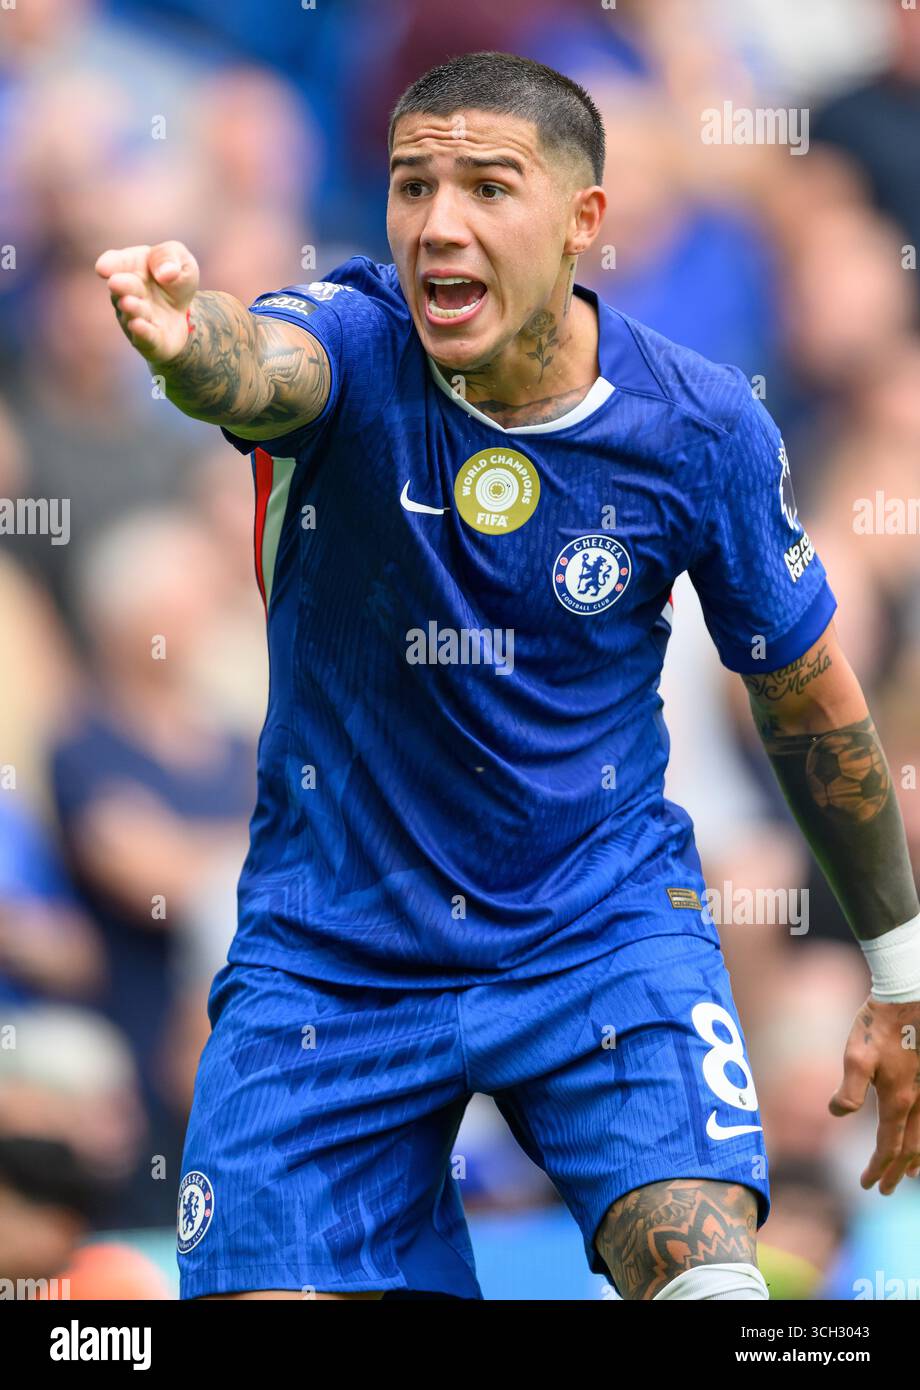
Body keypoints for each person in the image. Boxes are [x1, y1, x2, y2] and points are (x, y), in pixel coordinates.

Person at [94, 51, 920, 1302]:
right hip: (331, 956)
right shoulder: (355, 343)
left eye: (488, 186)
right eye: (410, 184)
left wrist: (900, 976)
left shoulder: (694, 428)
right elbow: (255, 365)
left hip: (598, 930)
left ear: (585, 219)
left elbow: (807, 702)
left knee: (713, 1291)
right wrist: (180, 342)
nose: (439, 224)